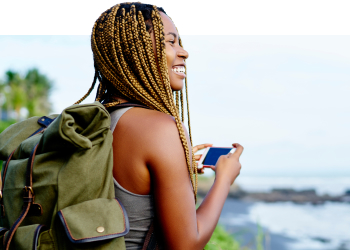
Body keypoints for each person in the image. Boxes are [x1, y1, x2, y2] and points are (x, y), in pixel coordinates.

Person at [75, 3, 243, 249]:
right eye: (170, 42)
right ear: (135, 51)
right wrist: (224, 179)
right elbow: (187, 244)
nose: (184, 52)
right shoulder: (159, 129)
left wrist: (173, 167)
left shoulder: (92, 122)